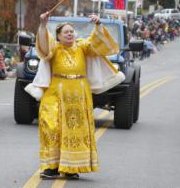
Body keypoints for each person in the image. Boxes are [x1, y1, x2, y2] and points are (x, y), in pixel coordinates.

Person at [27, 12, 125, 180]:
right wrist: (43, 25)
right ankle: (52, 167)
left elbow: (100, 45)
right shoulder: (54, 48)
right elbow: (43, 46)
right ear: (58, 36)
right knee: (51, 125)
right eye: (66, 32)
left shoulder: (82, 46)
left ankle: (72, 167)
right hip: (56, 92)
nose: (70, 34)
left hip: (79, 94)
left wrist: (98, 25)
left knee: (75, 129)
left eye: (71, 31)